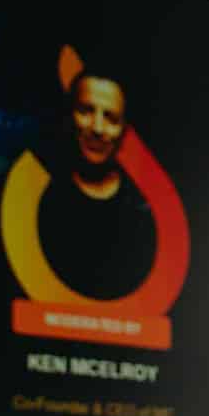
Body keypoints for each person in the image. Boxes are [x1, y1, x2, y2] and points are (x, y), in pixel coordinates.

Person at [34, 69, 156, 301]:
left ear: (124, 129)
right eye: (86, 111)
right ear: (69, 117)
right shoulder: (40, 197)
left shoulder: (143, 210)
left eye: (111, 118)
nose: (98, 128)